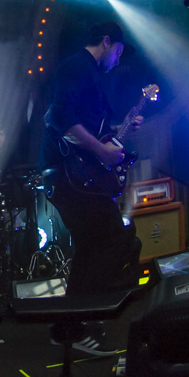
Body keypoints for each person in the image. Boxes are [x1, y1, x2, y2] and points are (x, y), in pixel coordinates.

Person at [41, 21, 143, 356]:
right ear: (107, 41)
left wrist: (117, 131)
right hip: (67, 174)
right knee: (108, 236)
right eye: (119, 51)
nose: (118, 58)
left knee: (92, 244)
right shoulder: (77, 67)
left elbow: (83, 124)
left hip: (74, 174)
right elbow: (59, 117)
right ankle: (72, 324)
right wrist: (101, 151)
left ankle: (71, 323)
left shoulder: (86, 72)